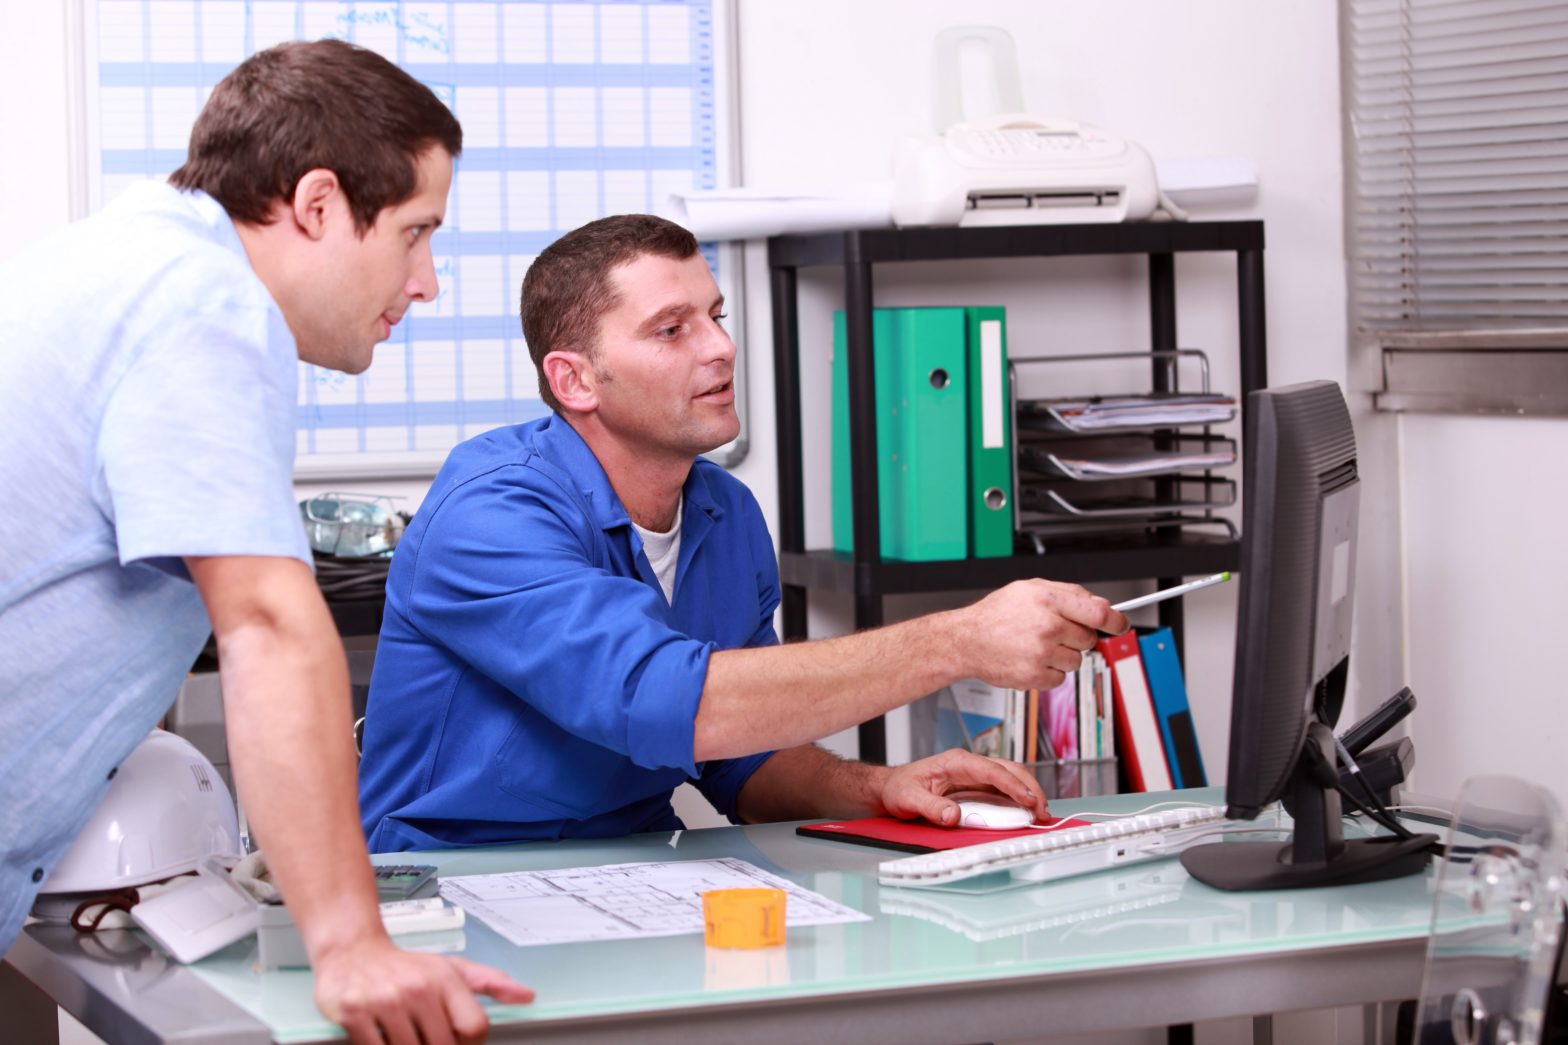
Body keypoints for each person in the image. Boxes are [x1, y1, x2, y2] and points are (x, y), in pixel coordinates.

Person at [0, 39, 532, 1041]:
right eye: (415, 233)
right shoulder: (204, 302)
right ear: (319, 203)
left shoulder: (128, 258)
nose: (426, 282)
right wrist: (349, 942)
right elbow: (267, 626)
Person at [357, 214, 1129, 850]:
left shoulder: (723, 510)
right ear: (575, 380)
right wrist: (956, 641)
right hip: (447, 888)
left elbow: (739, 756)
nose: (721, 347)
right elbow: (666, 701)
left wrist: (877, 788)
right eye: (671, 329)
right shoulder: (489, 514)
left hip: (626, 878)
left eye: (716, 316)